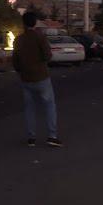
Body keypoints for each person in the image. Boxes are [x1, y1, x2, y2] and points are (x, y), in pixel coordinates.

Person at [12, 12, 62, 147]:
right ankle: (52, 135)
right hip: (41, 77)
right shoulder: (40, 37)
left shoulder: (18, 40)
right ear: (35, 23)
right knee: (50, 106)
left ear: (23, 23)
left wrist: (21, 70)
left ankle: (31, 137)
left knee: (29, 108)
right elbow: (48, 55)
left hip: (26, 78)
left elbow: (15, 61)